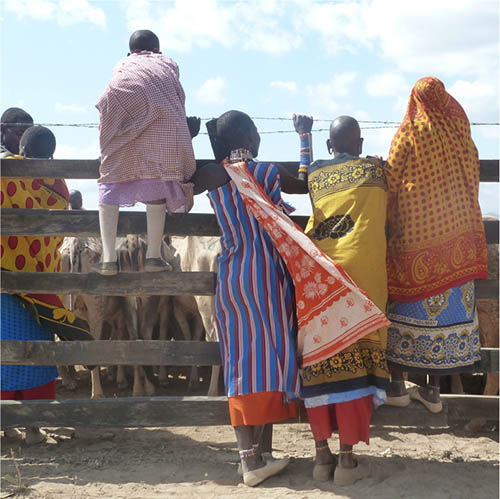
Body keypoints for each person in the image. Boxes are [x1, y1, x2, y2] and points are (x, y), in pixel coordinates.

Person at [191, 111, 301, 487]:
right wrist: (304, 138)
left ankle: (253, 457)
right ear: (250, 137)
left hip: (234, 276)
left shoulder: (212, 175)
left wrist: (188, 137)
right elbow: (305, 184)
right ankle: (255, 461)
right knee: (273, 359)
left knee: (241, 363)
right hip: (269, 275)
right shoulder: (269, 172)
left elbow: (180, 183)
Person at [294, 115, 390, 485]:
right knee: (359, 362)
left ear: (330, 146)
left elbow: (304, 174)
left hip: (321, 276)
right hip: (363, 279)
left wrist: (304, 136)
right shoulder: (377, 172)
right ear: (360, 144)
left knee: (320, 359)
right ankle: (347, 462)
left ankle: (321, 458)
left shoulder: (317, 175)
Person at [384, 76, 488, 412]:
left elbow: (391, 179)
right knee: (445, 318)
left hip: (414, 240)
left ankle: (398, 385)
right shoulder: (460, 133)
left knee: (400, 310)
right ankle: (432, 391)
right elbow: (472, 173)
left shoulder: (409, 132)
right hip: (456, 240)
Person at [1, 126, 90, 444]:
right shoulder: (58, 184)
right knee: (38, 355)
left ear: (21, 152)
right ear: (51, 155)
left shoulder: (6, 174)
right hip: (44, 284)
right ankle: (34, 428)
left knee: (6, 353)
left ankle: (5, 425)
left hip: (6, 281)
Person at [93, 29, 198, 275]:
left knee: (111, 177)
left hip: (120, 110)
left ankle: (108, 259)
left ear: (131, 51)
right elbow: (177, 99)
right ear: (158, 49)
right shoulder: (166, 63)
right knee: (157, 182)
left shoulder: (124, 63)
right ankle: (153, 256)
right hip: (161, 129)